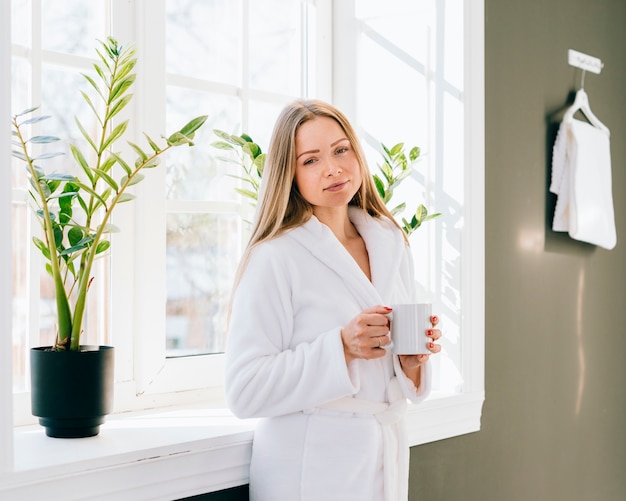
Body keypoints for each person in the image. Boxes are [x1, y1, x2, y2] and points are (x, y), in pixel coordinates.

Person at [224, 99, 442, 501]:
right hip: (310, 471)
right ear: (289, 175)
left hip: (381, 461)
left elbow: (394, 371)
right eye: (311, 160)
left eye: (341, 150)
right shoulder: (275, 257)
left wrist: (410, 365)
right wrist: (341, 348)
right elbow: (244, 389)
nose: (333, 168)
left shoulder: (389, 241)